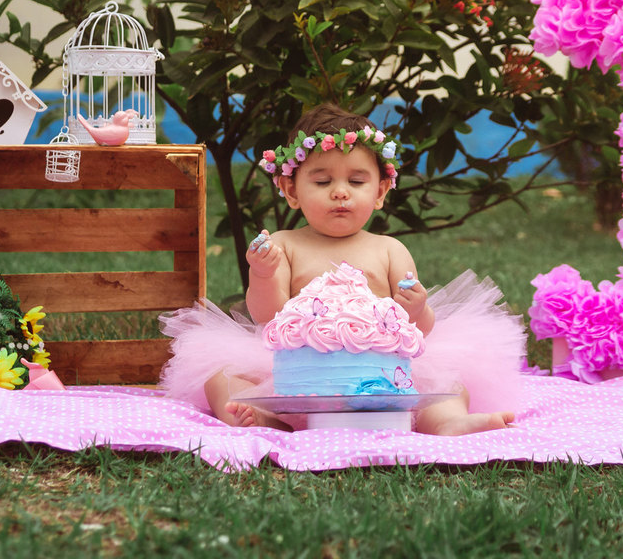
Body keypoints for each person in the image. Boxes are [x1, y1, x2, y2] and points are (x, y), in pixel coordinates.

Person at [159, 103, 526, 435]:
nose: (340, 192)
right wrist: (263, 274)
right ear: (291, 190)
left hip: (386, 379)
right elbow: (268, 316)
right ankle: (266, 417)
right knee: (220, 377)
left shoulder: (389, 250)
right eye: (322, 181)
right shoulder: (285, 245)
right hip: (298, 380)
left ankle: (447, 422)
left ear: (380, 191)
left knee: (448, 383)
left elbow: (419, 331)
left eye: (356, 181)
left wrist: (417, 309)